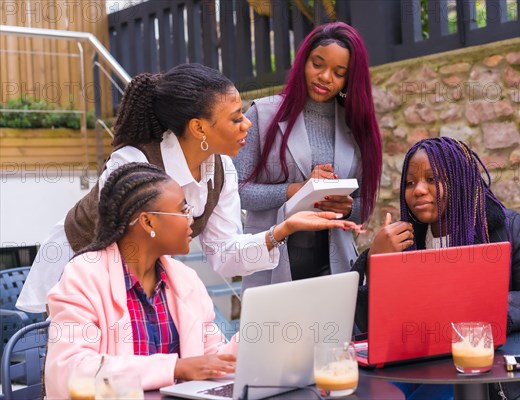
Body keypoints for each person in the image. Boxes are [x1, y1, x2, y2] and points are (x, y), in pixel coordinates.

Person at [17, 63, 360, 314]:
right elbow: (118, 253)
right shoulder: (133, 164)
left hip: (134, 284)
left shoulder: (221, 169)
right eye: (236, 117)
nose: (248, 124)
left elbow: (225, 255)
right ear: (199, 128)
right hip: (76, 274)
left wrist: (282, 230)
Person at [352, 137, 520, 400]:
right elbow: (367, 326)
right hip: (410, 368)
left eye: (432, 179)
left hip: (477, 373)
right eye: (410, 182)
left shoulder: (504, 228)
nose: (418, 190)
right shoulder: (403, 241)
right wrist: (376, 263)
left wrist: (478, 315)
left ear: (460, 181)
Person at [46, 163, 243, 397]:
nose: (191, 220)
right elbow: (71, 370)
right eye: (183, 210)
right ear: (148, 222)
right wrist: (174, 368)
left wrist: (254, 339)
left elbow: (211, 358)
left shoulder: (185, 279)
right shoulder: (83, 275)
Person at [233, 22, 382, 291]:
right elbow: (237, 191)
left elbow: (364, 207)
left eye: (339, 73)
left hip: (334, 264)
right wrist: (297, 190)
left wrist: (345, 206)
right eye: (318, 64)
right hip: (271, 261)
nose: (325, 77)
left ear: (350, 79)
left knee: (337, 333)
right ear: (303, 62)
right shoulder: (262, 115)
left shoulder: (356, 127)